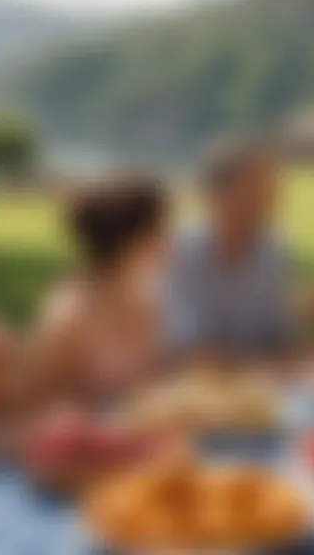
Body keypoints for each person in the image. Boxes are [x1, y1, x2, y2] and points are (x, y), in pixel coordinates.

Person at [31, 179, 169, 404]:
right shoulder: (70, 317)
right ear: (129, 244)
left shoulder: (155, 292)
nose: (168, 241)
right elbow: (47, 404)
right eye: (158, 232)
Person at [165, 140, 293, 362]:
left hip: (263, 384)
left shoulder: (272, 250)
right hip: (192, 388)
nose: (272, 200)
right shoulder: (179, 254)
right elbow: (187, 351)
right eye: (258, 190)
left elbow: (279, 337)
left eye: (273, 190)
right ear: (219, 195)